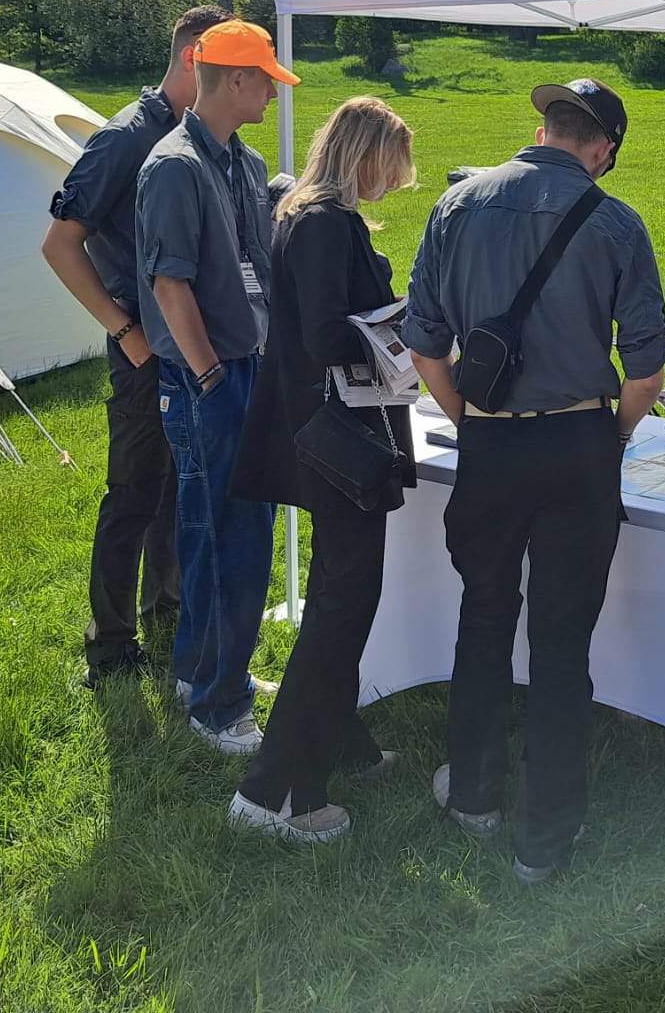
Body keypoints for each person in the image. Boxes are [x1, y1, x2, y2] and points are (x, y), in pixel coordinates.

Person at [404, 78, 665, 883]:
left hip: (490, 449)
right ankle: (546, 840)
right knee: (561, 646)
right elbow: (649, 366)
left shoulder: (457, 205)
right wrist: (615, 435)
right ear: (604, 150)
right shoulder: (617, 221)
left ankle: (474, 796)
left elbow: (423, 344)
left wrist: (466, 419)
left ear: (546, 127)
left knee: (482, 618)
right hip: (578, 450)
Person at [227, 97, 419, 843]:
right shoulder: (326, 223)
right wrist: (392, 325)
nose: (395, 182)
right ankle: (276, 792)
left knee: (345, 600)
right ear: (365, 153)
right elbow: (323, 334)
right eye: (391, 166)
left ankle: (343, 744)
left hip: (320, 434)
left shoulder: (300, 214)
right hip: (339, 441)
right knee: (343, 605)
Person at [42, 3, 229, 687]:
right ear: (192, 60)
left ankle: (166, 604)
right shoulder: (126, 139)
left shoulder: (203, 136)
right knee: (134, 492)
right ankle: (111, 643)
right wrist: (126, 331)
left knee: (182, 486)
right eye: (229, 68)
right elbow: (60, 243)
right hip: (145, 350)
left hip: (191, 348)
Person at [135, 19, 296, 754]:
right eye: (266, 79)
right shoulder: (173, 166)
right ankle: (218, 706)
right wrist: (206, 376)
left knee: (222, 530)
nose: (272, 92)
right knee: (228, 538)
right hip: (210, 376)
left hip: (244, 368)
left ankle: (204, 672)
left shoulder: (240, 161)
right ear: (235, 79)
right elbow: (170, 284)